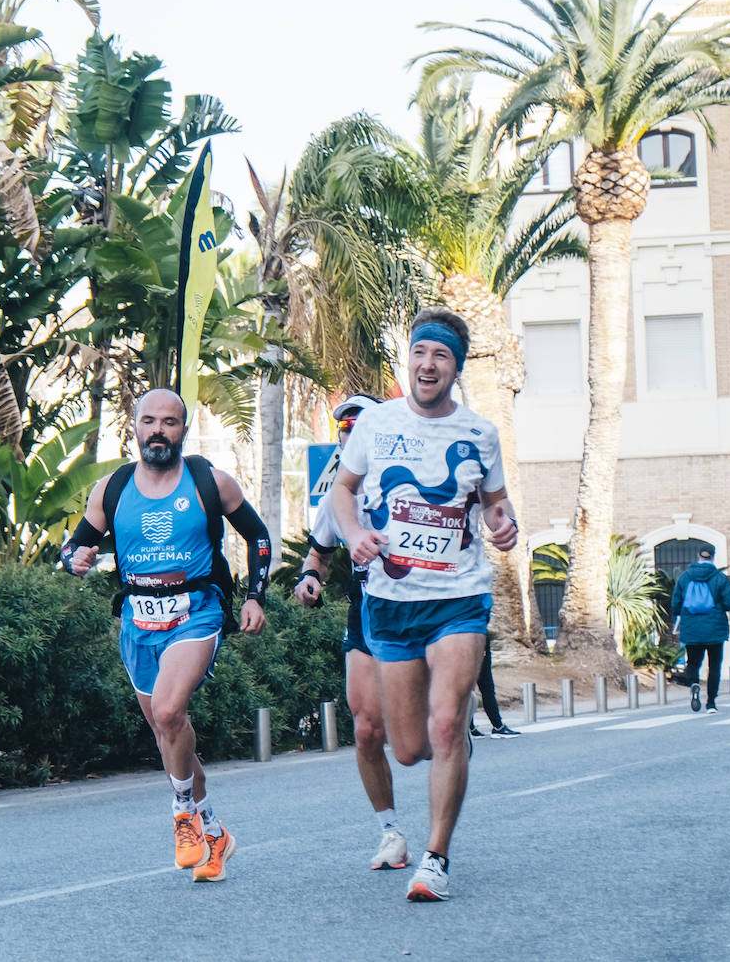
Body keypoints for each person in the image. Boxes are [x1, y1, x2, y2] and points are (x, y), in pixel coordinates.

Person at [330, 306, 519, 903]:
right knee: (408, 747)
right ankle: (450, 741)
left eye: (440, 355)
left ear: (455, 368)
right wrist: (355, 534)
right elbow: (343, 491)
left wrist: (502, 522)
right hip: (389, 602)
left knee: (443, 723)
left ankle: (435, 858)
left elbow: (495, 503)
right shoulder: (376, 425)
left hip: (459, 596)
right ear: (407, 359)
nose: (427, 364)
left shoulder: (479, 433)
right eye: (420, 352)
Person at [60, 389, 270, 883]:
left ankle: (181, 815)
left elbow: (257, 536)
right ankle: (214, 830)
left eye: (169, 422)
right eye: (149, 421)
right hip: (138, 620)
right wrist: (75, 561)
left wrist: (255, 596)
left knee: (171, 711)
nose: (158, 430)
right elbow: (73, 549)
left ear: (183, 429)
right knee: (169, 732)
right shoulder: (110, 490)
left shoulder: (209, 482)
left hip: (197, 612)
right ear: (134, 427)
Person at [294, 393, 412, 871]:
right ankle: (391, 833)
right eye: (344, 429)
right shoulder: (337, 496)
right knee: (366, 728)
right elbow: (319, 553)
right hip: (366, 609)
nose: (351, 435)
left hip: (419, 608)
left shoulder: (410, 477)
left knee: (420, 734)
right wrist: (309, 579)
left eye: (360, 426)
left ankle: (449, 724)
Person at [669, 546, 730, 713]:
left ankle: (693, 683)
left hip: (691, 628)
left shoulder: (685, 577)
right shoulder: (720, 578)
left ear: (698, 556)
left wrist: (682, 615)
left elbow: (675, 604)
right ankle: (711, 702)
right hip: (715, 629)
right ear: (713, 557)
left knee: (693, 662)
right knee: (714, 665)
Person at [469, 636, 521, 738]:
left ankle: (470, 727)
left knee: (468, 690)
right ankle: (498, 726)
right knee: (487, 689)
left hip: (463, 644)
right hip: (478, 644)